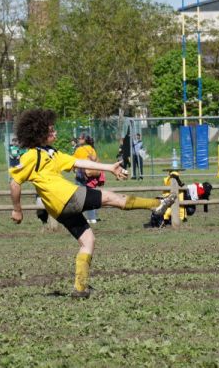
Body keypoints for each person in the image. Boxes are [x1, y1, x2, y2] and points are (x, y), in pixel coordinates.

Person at [9, 109, 177, 299]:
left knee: (88, 241)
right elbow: (15, 182)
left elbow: (78, 162)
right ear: (40, 134)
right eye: (51, 130)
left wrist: (109, 167)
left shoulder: (52, 153)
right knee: (113, 198)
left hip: (60, 209)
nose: (55, 132)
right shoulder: (31, 156)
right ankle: (156, 204)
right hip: (68, 196)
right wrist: (17, 209)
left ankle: (80, 289)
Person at [73, 133, 100, 224]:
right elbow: (96, 160)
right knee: (92, 195)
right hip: (91, 175)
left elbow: (73, 161)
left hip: (82, 174)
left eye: (79, 138)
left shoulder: (79, 149)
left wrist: (74, 170)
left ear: (84, 140)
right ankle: (93, 217)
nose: (78, 140)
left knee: (79, 197)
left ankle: (85, 217)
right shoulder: (92, 149)